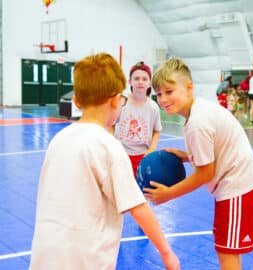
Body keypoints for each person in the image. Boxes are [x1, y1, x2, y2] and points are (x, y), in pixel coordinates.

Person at [29, 53, 180, 270]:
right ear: (115, 101)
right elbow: (138, 206)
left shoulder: (58, 140)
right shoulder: (108, 146)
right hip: (85, 261)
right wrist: (166, 252)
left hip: (45, 257)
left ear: (76, 101)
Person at [146, 58, 253, 270]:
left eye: (169, 91)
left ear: (189, 87)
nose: (163, 99)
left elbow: (205, 173)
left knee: (227, 254)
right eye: (159, 93)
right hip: (237, 187)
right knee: (226, 249)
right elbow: (214, 152)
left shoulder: (197, 123)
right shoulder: (199, 111)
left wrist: (168, 194)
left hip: (239, 187)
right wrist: (186, 155)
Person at [113, 61, 162, 177]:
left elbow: (157, 130)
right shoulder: (122, 103)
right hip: (121, 155)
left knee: (142, 190)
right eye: (136, 78)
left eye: (144, 79)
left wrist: (152, 149)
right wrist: (113, 146)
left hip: (143, 156)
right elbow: (110, 125)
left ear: (150, 83)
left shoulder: (153, 107)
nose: (140, 81)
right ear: (130, 82)